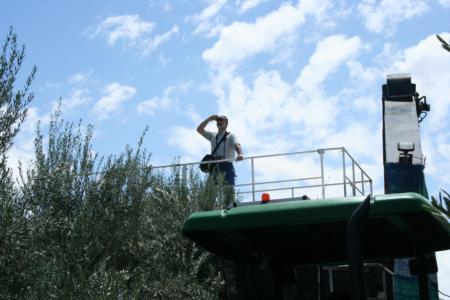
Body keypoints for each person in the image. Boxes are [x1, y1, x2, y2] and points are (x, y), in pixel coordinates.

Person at [197, 115, 243, 204]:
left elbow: (237, 145)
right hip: (215, 166)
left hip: (227, 165)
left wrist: (240, 153)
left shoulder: (231, 136)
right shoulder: (213, 135)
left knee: (228, 194)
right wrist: (209, 119)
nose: (219, 122)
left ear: (226, 124)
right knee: (209, 194)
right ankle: (208, 210)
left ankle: (229, 210)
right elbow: (199, 130)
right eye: (218, 121)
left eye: (222, 120)